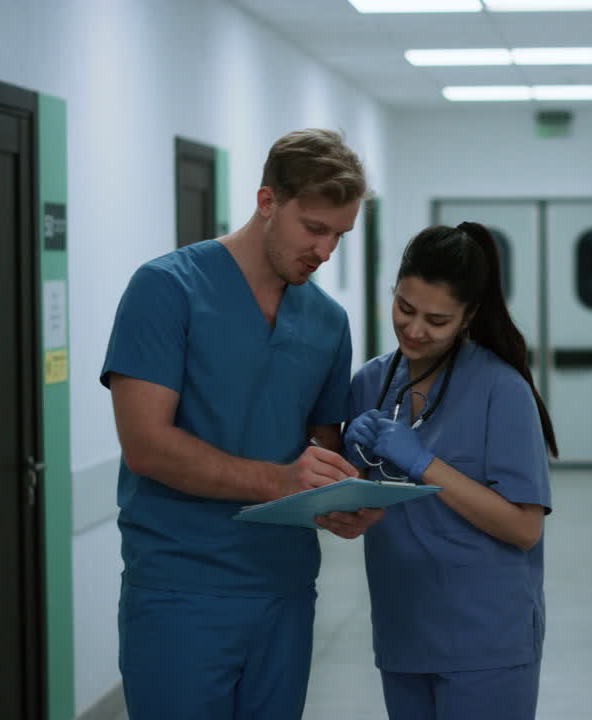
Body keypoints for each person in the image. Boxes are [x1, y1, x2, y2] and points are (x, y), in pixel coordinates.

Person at [100, 128, 383, 720]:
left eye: (339, 235)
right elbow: (147, 446)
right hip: (182, 588)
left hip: (284, 588)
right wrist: (279, 482)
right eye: (314, 228)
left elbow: (319, 454)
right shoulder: (167, 290)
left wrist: (342, 503)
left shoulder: (327, 322)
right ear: (267, 202)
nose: (326, 251)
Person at [332, 222, 558, 720]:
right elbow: (362, 503)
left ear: (468, 317)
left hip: (485, 640)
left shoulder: (502, 390)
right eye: (404, 309)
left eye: (437, 320)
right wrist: (345, 478)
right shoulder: (371, 381)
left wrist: (424, 463)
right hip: (402, 627)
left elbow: (524, 527)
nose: (414, 329)